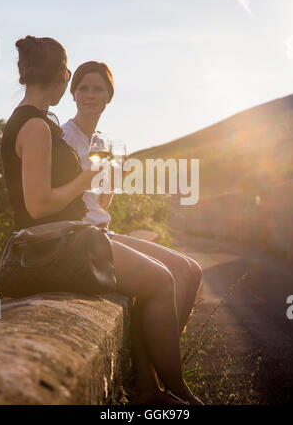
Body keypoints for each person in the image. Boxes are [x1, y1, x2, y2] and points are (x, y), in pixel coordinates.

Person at [61, 61, 203, 405]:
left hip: (100, 227)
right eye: (84, 88)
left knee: (191, 270)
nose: (90, 94)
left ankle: (149, 381)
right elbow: (64, 201)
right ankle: (168, 384)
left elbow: (101, 203)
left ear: (109, 96)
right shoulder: (62, 137)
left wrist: (113, 173)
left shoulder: (103, 141)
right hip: (78, 235)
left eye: (98, 89)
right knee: (161, 278)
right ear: (73, 93)